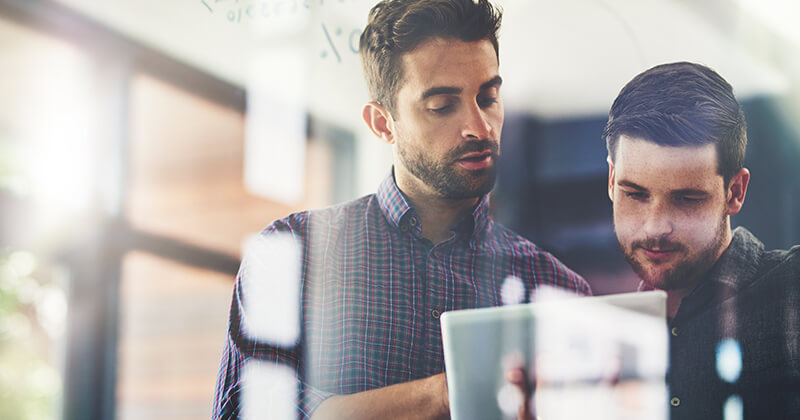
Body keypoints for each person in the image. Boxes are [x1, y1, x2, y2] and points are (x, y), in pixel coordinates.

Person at [212, 0, 590, 419]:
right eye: (442, 106)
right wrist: (447, 395)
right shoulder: (292, 254)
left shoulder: (557, 290)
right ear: (381, 123)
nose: (479, 127)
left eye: (488, 97)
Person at [603, 61, 800, 419]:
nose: (655, 227)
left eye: (686, 199)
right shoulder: (601, 335)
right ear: (612, 180)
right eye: (635, 194)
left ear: (735, 192)